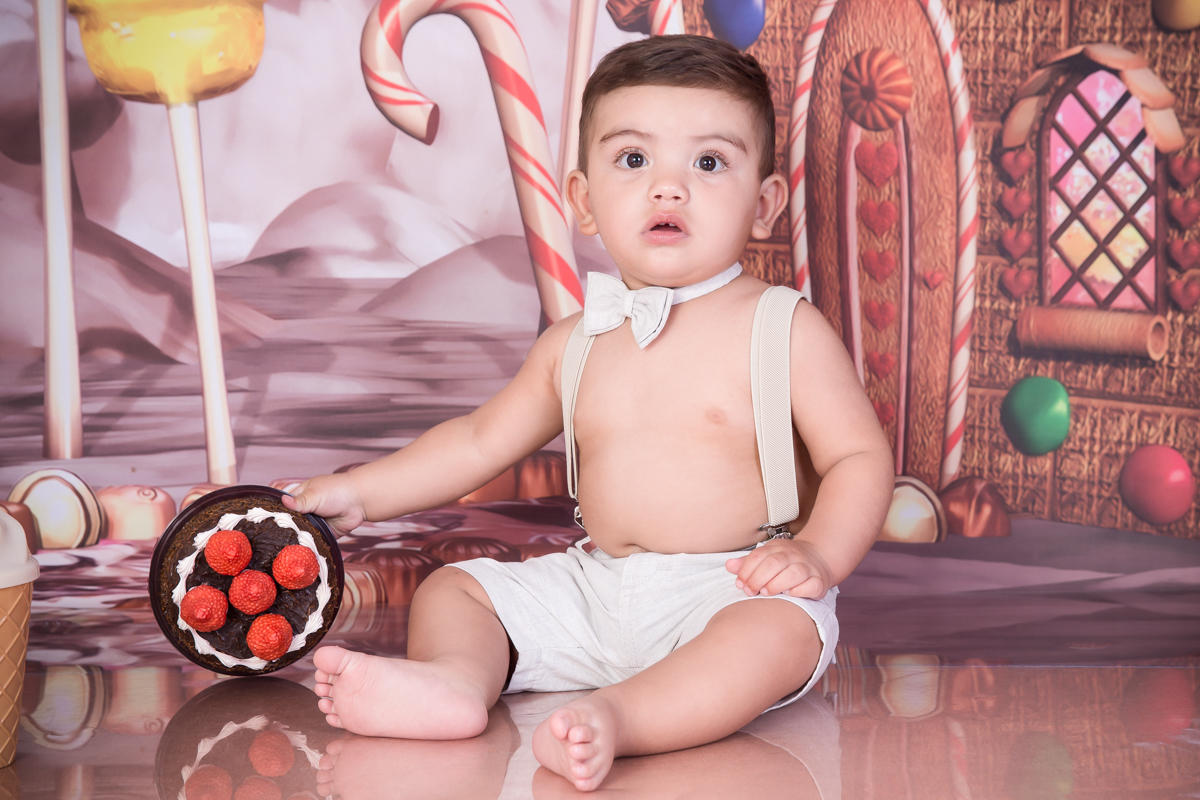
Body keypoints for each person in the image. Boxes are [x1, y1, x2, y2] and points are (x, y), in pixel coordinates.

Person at [284, 34, 893, 792]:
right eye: (634, 159)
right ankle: (456, 682)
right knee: (455, 589)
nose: (668, 189)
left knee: (775, 635)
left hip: (732, 586)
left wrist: (819, 556)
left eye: (708, 163)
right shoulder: (575, 342)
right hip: (593, 585)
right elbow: (477, 442)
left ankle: (622, 718)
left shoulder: (782, 326)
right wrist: (361, 492)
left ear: (764, 203)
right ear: (582, 201)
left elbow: (858, 458)